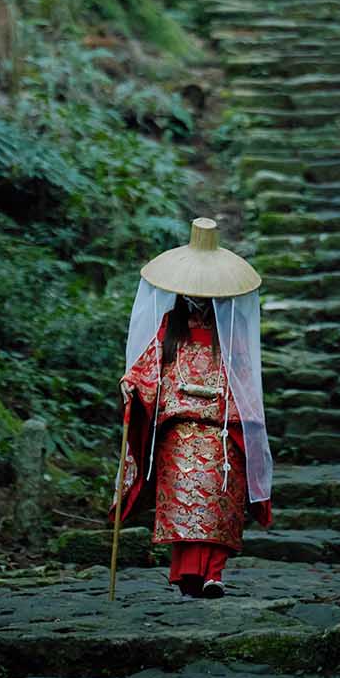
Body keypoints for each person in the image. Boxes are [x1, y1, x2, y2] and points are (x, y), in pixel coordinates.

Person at [111, 216, 273, 598]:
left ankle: (213, 573)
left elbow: (244, 376)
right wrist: (133, 384)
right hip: (180, 432)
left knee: (219, 502)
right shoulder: (170, 326)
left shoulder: (229, 332)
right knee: (184, 500)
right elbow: (149, 366)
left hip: (220, 432)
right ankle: (186, 573)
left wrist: (238, 414)